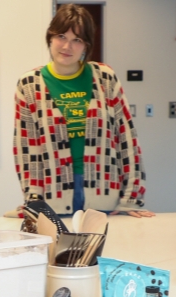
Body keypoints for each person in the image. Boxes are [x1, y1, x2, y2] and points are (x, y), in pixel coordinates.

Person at [13, 3, 153, 217]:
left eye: (77, 40)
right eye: (61, 36)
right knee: (60, 251)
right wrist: (34, 202)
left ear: (86, 45)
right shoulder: (29, 84)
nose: (67, 46)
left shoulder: (105, 77)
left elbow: (126, 137)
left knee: (106, 248)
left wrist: (131, 199)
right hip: (54, 197)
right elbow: (27, 149)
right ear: (50, 38)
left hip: (104, 193)